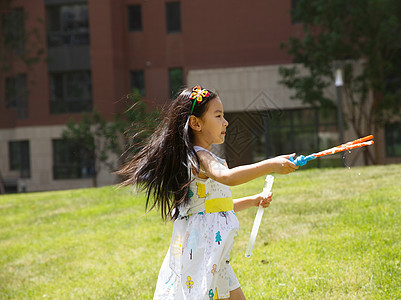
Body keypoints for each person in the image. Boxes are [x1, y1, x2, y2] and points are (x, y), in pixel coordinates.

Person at [118, 86, 298, 299]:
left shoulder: (198, 158)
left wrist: (252, 200)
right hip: (202, 251)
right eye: (218, 115)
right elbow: (227, 177)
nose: (226, 122)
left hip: (214, 254)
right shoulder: (200, 158)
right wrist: (270, 164)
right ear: (196, 123)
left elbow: (213, 206)